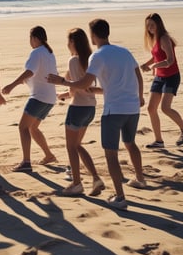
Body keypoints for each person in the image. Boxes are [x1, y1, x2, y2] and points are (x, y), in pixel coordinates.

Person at [47, 19, 146, 210]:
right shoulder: (124, 52)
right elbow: (137, 75)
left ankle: (120, 197)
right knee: (130, 142)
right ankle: (140, 179)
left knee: (111, 154)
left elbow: (83, 83)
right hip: (132, 108)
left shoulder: (98, 56)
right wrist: (140, 97)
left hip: (113, 111)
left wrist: (62, 81)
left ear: (93, 35)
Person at [2, 26, 57, 172]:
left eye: (30, 38)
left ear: (35, 38)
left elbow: (29, 71)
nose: (30, 41)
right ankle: (49, 155)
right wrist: (19, 82)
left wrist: (12, 85)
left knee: (23, 127)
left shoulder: (36, 52)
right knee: (33, 127)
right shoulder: (49, 53)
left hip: (39, 97)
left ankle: (26, 162)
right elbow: (34, 75)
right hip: (50, 97)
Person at [58, 28, 105, 196]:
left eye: (69, 41)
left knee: (71, 146)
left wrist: (64, 89)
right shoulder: (90, 60)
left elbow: (74, 86)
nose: (67, 44)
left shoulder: (73, 60)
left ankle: (77, 183)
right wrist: (64, 94)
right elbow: (84, 86)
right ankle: (95, 178)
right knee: (77, 145)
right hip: (90, 108)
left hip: (77, 108)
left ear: (73, 43)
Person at [141, 13, 183, 148]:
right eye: (148, 26)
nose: (150, 28)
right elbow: (157, 56)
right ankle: (159, 141)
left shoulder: (164, 38)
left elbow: (170, 60)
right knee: (151, 108)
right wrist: (147, 64)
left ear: (159, 24)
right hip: (159, 77)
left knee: (165, 108)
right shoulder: (155, 39)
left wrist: (154, 66)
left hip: (171, 77)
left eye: (152, 25)